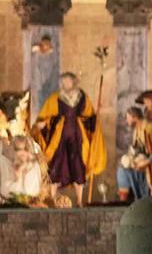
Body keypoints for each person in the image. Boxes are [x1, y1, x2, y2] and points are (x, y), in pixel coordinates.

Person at [35, 73, 106, 207]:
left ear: (73, 82)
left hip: (77, 135)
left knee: (78, 166)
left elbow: (89, 115)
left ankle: (79, 200)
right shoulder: (56, 97)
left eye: (68, 81)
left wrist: (95, 117)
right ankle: (52, 198)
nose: (66, 84)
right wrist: (43, 123)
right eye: (64, 82)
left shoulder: (82, 97)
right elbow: (46, 114)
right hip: (59, 137)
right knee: (56, 165)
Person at [118, 106, 152, 202]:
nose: (126, 121)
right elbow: (138, 149)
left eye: (127, 117)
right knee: (123, 170)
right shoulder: (138, 130)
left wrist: (145, 162)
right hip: (145, 164)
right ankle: (132, 200)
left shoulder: (148, 129)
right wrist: (131, 159)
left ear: (134, 116)